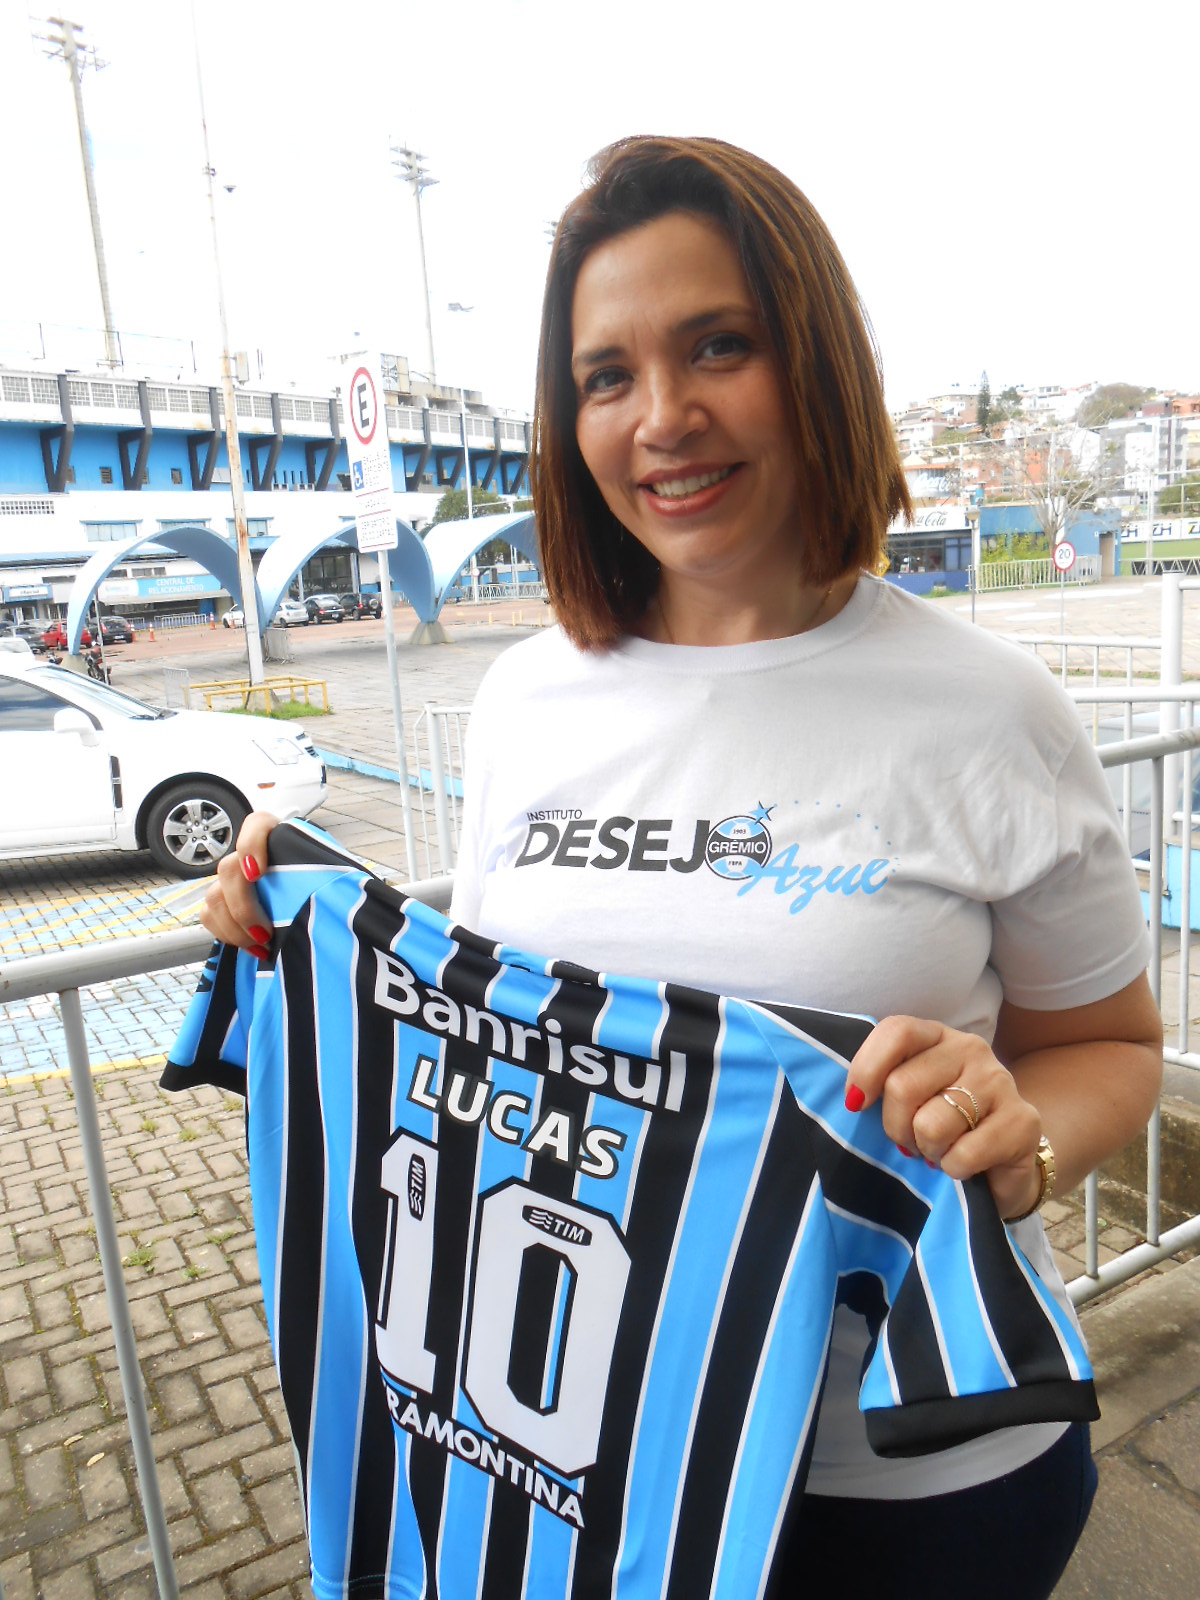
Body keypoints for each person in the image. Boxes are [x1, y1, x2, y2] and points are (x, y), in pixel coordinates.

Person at [202, 136, 1162, 1598]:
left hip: (902, 1478)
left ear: (817, 364)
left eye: (720, 347)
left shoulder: (989, 713)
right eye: (606, 375)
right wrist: (314, 910)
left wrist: (1013, 1145)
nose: (664, 417)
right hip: (604, 1456)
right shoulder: (528, 696)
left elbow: (1110, 1046)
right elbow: (521, 991)